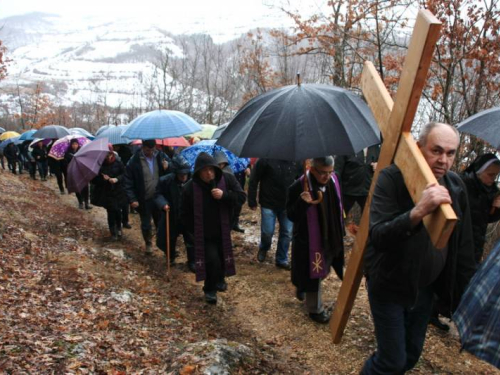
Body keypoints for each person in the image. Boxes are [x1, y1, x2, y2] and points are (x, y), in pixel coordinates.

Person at [361, 122, 476, 374]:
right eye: (436, 150)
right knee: (391, 361)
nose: (443, 160)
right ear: (418, 147)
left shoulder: (455, 187)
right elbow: (378, 235)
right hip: (389, 284)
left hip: (426, 290)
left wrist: (462, 296)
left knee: (410, 357)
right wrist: (418, 211)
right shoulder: (391, 177)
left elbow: (464, 246)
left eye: (451, 153)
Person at [181, 152, 246, 304]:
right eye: (205, 170)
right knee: (212, 260)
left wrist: (224, 196)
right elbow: (184, 213)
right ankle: (209, 289)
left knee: (223, 258)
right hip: (204, 233)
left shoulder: (227, 179)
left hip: (223, 230)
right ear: (198, 172)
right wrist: (194, 230)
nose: (209, 173)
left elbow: (241, 197)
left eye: (211, 169)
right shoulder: (190, 187)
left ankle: (220, 279)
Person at [286, 156, 345, 324]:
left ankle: (302, 285)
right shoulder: (298, 186)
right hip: (310, 240)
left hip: (330, 234)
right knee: (314, 273)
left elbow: (340, 204)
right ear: (312, 169)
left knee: (323, 269)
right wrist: (301, 202)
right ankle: (315, 309)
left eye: (330, 172)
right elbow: (291, 215)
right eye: (323, 173)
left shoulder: (334, 180)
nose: (327, 176)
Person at [248, 158, 301, 269]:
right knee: (267, 232)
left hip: (288, 204)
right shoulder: (265, 159)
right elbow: (254, 178)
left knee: (287, 233)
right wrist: (251, 199)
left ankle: (281, 259)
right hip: (268, 202)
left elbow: (301, 180)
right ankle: (264, 247)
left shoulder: (297, 160)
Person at [124, 139, 170, 255]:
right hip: (143, 198)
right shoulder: (134, 161)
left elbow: (171, 172)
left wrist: (167, 166)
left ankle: (164, 246)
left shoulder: (161, 156)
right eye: (148, 150)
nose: (150, 152)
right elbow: (128, 181)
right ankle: (148, 243)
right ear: (142, 147)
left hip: (159, 197)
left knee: (161, 223)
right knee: (146, 223)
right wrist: (132, 199)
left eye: (153, 149)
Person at [155, 155, 195, 271]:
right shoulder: (165, 180)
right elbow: (158, 194)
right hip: (172, 214)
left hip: (188, 216)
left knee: (191, 239)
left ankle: (192, 261)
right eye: (181, 174)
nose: (183, 176)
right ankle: (170, 257)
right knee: (170, 238)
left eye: (185, 174)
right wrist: (163, 204)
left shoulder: (193, 180)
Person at [461, 153, 500, 264]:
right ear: (479, 171)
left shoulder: (492, 191)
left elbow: (486, 219)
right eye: (490, 174)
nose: (493, 179)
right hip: (458, 245)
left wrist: (497, 210)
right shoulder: (463, 185)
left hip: (475, 248)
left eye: (496, 175)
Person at [91, 146, 128, 240]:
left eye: (109, 154)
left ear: (112, 153)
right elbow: (94, 180)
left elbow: (124, 175)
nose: (108, 156)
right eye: (106, 154)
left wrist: (116, 179)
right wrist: (103, 179)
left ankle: (119, 228)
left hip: (118, 191)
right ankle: (113, 232)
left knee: (118, 211)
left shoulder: (118, 163)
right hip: (106, 192)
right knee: (111, 211)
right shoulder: (99, 165)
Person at [334, 144, 380, 217]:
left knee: (369, 218)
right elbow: (337, 171)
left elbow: (384, 165)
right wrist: (336, 190)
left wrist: (379, 165)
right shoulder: (346, 147)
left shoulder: (375, 147)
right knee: (339, 216)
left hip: (368, 191)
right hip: (347, 191)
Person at [214, 150, 245, 233]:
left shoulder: (228, 173)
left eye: (221, 163)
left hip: (227, 205)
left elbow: (241, 196)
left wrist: (224, 195)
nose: (220, 165)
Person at [64, 139, 91, 209]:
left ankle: (86, 203)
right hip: (74, 172)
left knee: (85, 187)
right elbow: (65, 163)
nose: (75, 145)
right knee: (77, 187)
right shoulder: (67, 153)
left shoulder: (82, 151)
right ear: (71, 145)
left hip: (82, 172)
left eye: (76, 144)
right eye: (73, 144)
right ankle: (80, 202)